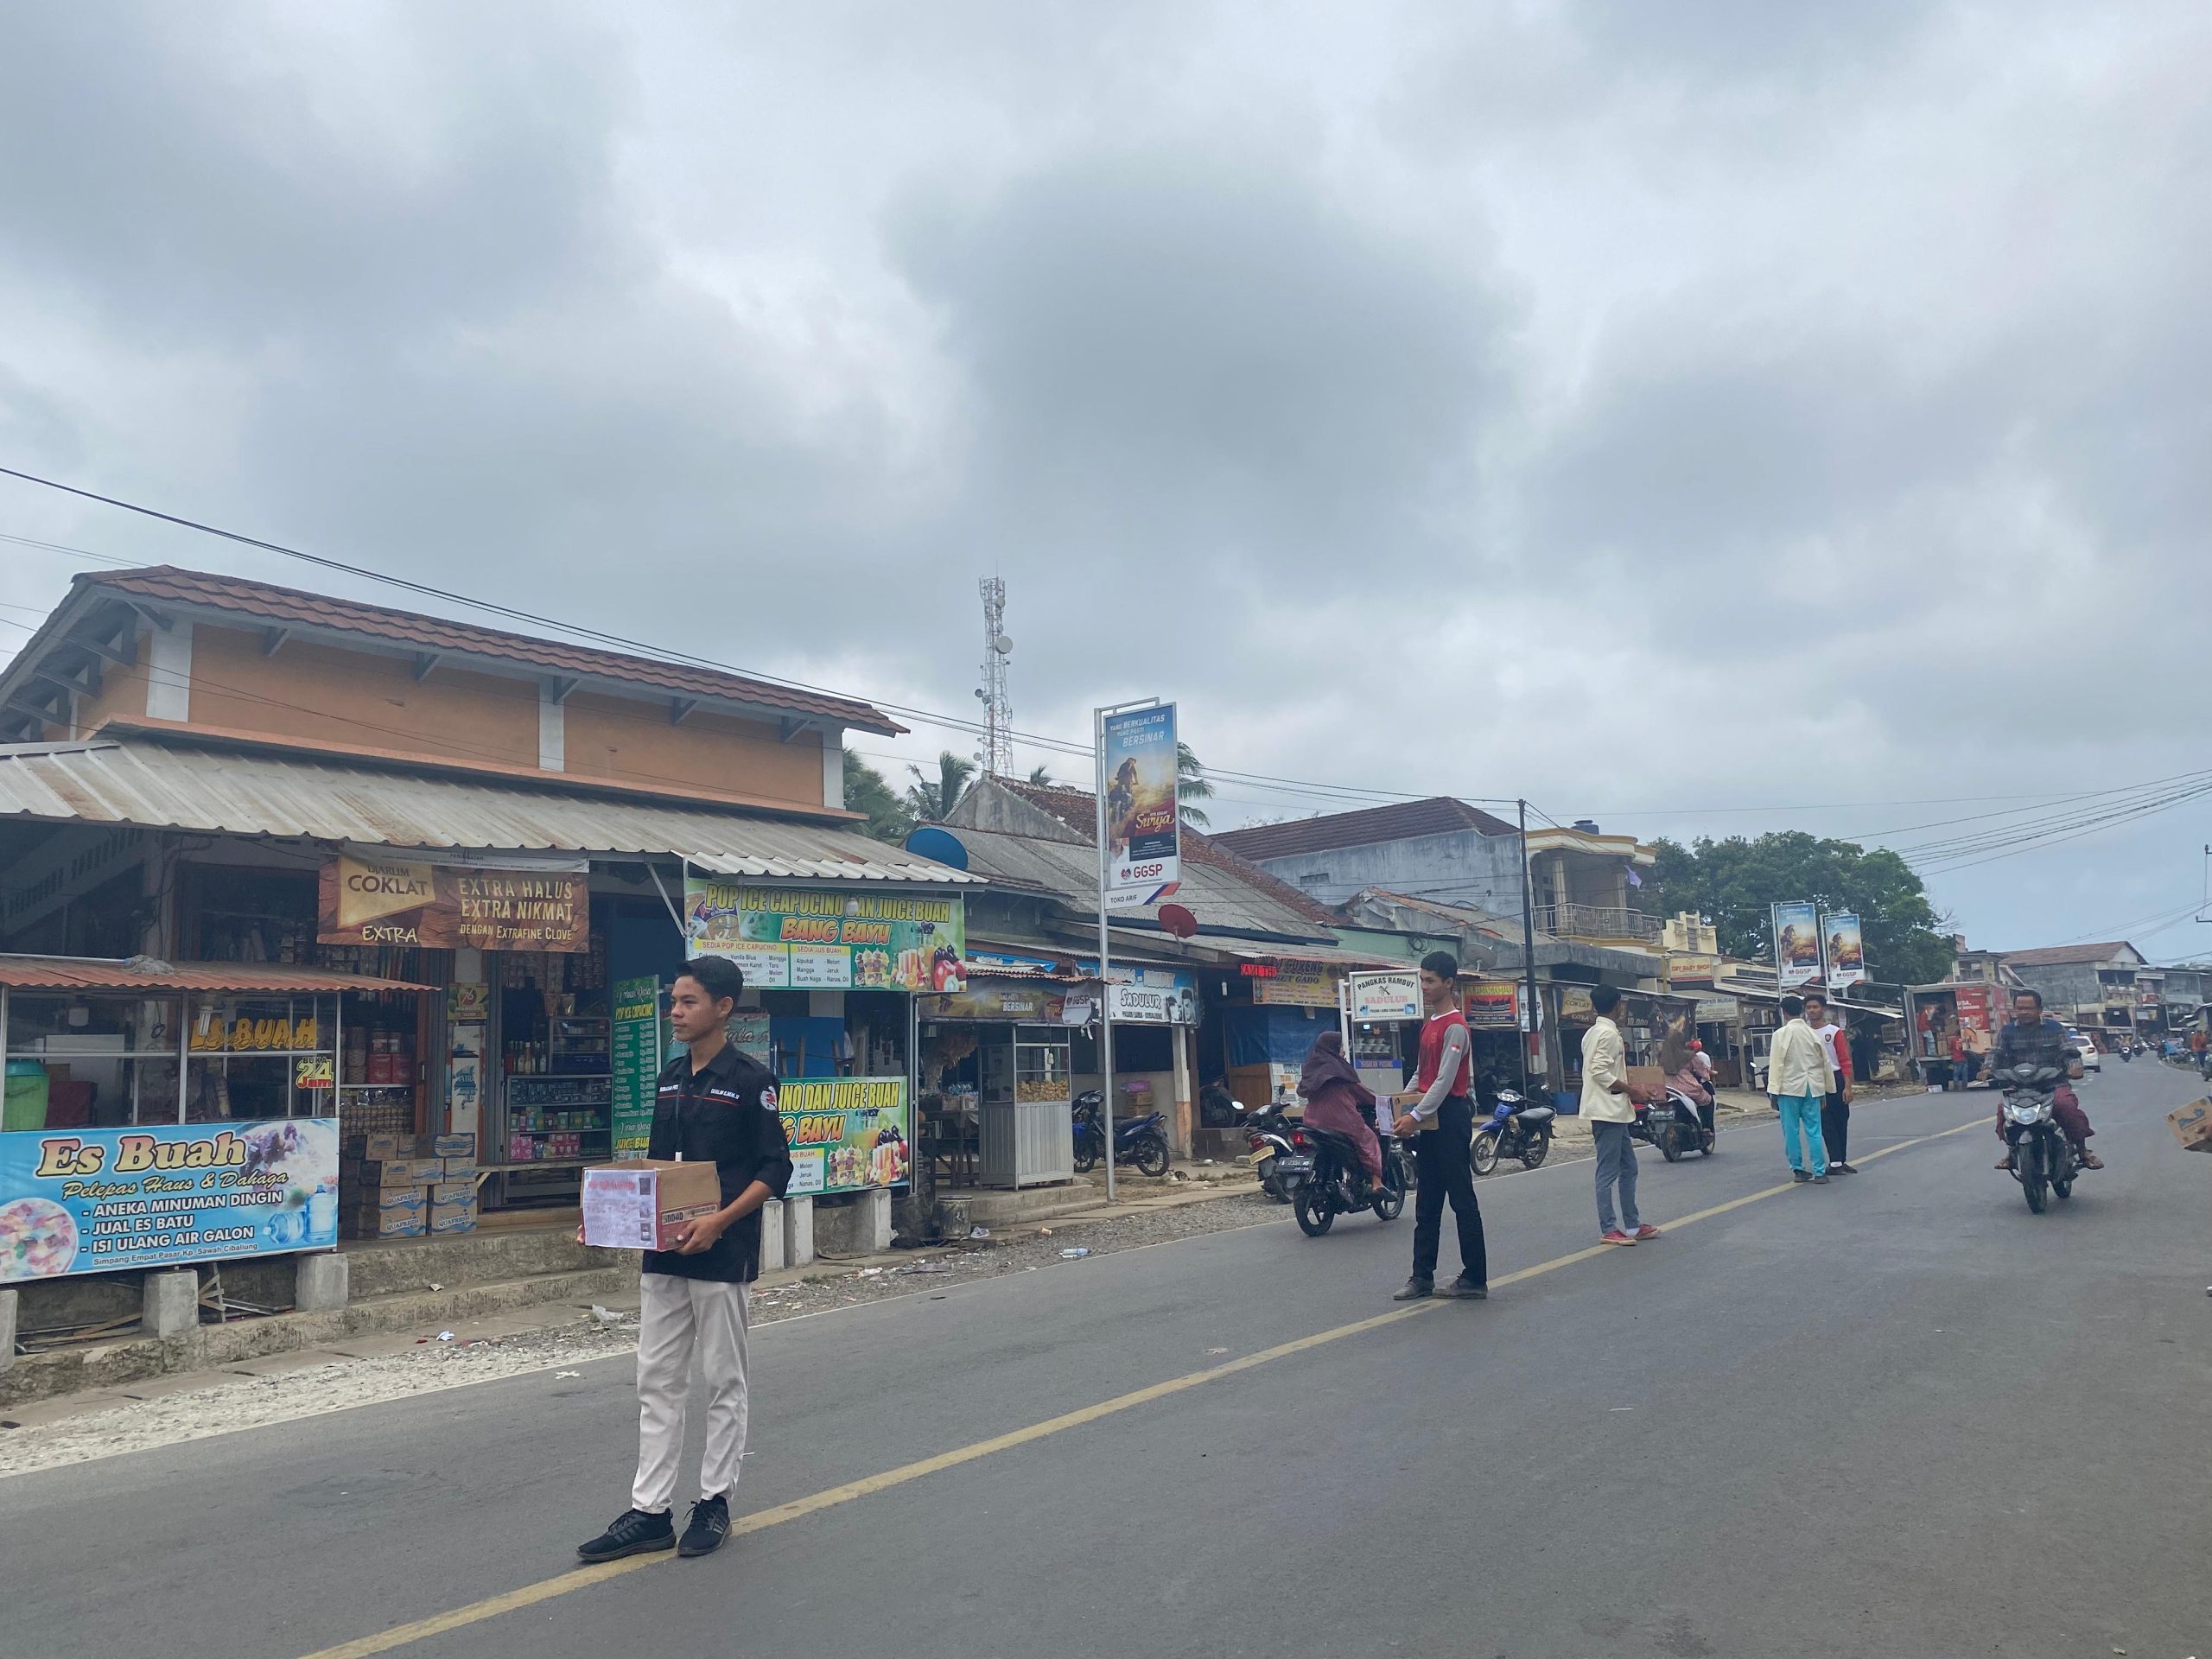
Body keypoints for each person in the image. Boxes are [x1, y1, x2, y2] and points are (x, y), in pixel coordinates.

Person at [578, 957, 794, 1565]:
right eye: (674, 1001)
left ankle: (714, 1501)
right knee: (656, 1380)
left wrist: (720, 1221)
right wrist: (605, 1216)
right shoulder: (671, 1076)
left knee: (724, 1379)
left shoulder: (753, 1081)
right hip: (664, 1255)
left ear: (723, 1007)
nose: (675, 1011)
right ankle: (649, 1512)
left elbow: (775, 1169)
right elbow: (656, 1172)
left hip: (722, 1253)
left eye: (688, 1002)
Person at [1389, 951, 1488, 1301]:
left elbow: (1445, 1081)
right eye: (1422, 980)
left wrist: (1414, 1115)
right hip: (1428, 1117)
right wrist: (1399, 1104)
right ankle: (1422, 1277)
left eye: (1430, 980)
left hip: (1450, 1117)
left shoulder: (1455, 1026)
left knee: (1462, 1200)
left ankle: (1475, 1277)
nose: (1424, 986)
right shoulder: (1429, 1024)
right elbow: (1422, 1074)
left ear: (1449, 982)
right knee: (1427, 1202)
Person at [1989, 988, 2101, 1170]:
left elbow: (2070, 1052)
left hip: (2053, 1084)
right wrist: (1987, 1069)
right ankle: (2012, 1151)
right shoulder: (2007, 1031)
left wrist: (2075, 1066)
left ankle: (2082, 1150)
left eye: (2029, 1008)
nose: (2024, 1012)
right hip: (2019, 1087)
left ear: (2040, 1009)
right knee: (2004, 1113)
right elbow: (1996, 1054)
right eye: (2020, 1008)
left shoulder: (2055, 1028)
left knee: (2065, 1107)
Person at [1585, 985, 1660, 1245]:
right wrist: (1632, 1090)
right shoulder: (1608, 1035)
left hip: (1613, 1109)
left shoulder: (1593, 1033)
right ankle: (1609, 1228)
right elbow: (1600, 1072)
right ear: (1618, 1004)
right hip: (1608, 1110)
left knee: (1629, 1167)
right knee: (1608, 1172)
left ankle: (1632, 1225)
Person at [1297, 1030, 1383, 1196]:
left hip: (1312, 1122)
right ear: (1333, 1048)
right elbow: (1363, 1094)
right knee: (1369, 1139)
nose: (1343, 1052)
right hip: (1342, 1121)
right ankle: (1376, 1182)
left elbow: (1303, 1091)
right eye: (1341, 1047)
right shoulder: (1340, 1069)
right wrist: (1381, 1101)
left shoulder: (1311, 1068)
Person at [1767, 994, 1835, 1184]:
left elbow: (1776, 1064)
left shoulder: (1780, 1035)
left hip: (1788, 1088)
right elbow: (1825, 1063)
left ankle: (1798, 1169)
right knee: (1814, 1130)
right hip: (1812, 1088)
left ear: (1784, 1012)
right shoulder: (1812, 1033)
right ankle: (1819, 1172)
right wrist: (1827, 1090)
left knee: (1791, 1131)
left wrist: (1773, 1092)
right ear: (1802, 1010)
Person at [1802, 991, 1856, 1175]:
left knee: (1842, 1119)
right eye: (1809, 1007)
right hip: (1815, 1080)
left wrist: (1848, 1086)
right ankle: (1835, 1162)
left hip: (1836, 1077)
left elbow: (1844, 1059)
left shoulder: (1834, 1032)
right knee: (1825, 1122)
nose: (1812, 1010)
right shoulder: (1804, 1033)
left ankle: (1841, 1159)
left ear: (1823, 1009)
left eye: (1815, 1007)